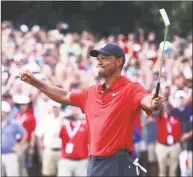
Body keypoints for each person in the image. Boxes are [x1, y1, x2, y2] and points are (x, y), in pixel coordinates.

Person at [20, 43, 163, 176]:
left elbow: (147, 101)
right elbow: (64, 96)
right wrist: (35, 82)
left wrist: (153, 102)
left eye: (104, 58)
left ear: (119, 61)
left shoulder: (131, 88)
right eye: (98, 59)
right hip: (95, 162)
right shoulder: (92, 93)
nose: (99, 62)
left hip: (118, 162)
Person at [35, 100, 63, 177]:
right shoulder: (46, 119)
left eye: (56, 107)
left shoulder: (64, 118)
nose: (55, 109)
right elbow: (39, 133)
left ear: (60, 107)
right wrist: (40, 143)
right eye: (54, 107)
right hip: (48, 149)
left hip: (61, 150)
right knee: (48, 173)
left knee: (62, 173)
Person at [58, 106, 88, 176]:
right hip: (66, 160)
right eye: (71, 108)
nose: (73, 110)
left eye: (75, 108)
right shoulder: (64, 125)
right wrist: (64, 117)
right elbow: (55, 133)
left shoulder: (85, 124)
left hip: (81, 160)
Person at [155, 103, 182, 177]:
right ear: (163, 109)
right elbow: (159, 112)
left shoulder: (175, 119)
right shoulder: (160, 117)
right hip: (162, 146)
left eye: (169, 108)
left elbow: (179, 133)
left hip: (174, 145)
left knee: (173, 170)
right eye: (166, 108)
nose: (167, 109)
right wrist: (161, 106)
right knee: (162, 170)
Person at [2, 101, 27, 177]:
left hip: (10, 154)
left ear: (5, 112)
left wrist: (19, 146)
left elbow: (24, 134)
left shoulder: (13, 123)